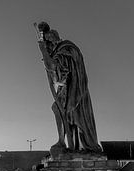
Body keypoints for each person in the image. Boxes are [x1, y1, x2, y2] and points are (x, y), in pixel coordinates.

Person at [37, 22, 101, 153]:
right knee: (58, 109)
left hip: (74, 89)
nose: (49, 47)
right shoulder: (59, 51)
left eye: (49, 42)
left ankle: (62, 141)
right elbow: (56, 74)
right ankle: (63, 141)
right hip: (66, 88)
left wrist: (43, 51)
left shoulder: (66, 49)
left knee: (59, 108)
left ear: (53, 38)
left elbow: (55, 71)